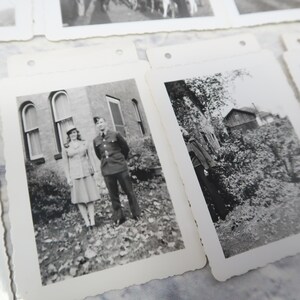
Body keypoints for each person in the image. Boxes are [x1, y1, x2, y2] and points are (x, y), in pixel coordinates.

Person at [92, 116, 141, 226]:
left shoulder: (115, 134)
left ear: (105, 123)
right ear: (96, 126)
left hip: (120, 168)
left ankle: (136, 213)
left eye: (101, 122)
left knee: (129, 191)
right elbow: (99, 155)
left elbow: (125, 149)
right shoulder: (96, 140)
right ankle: (119, 217)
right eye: (97, 123)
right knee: (113, 195)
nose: (100, 125)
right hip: (107, 171)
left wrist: (120, 160)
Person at [180, 127, 228, 222]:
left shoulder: (191, 141)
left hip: (200, 167)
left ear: (184, 131)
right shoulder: (179, 146)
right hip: (190, 172)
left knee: (211, 189)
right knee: (201, 194)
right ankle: (213, 218)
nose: (180, 133)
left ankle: (223, 213)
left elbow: (203, 152)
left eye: (181, 131)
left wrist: (207, 167)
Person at [63, 125, 99, 229]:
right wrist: (68, 177)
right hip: (75, 175)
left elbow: (90, 156)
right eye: (70, 133)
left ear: (77, 133)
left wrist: (94, 170)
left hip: (86, 173)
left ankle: (92, 221)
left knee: (90, 197)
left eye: (74, 132)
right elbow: (65, 164)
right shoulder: (66, 147)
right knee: (79, 200)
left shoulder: (84, 143)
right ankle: (87, 223)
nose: (73, 134)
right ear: (68, 135)